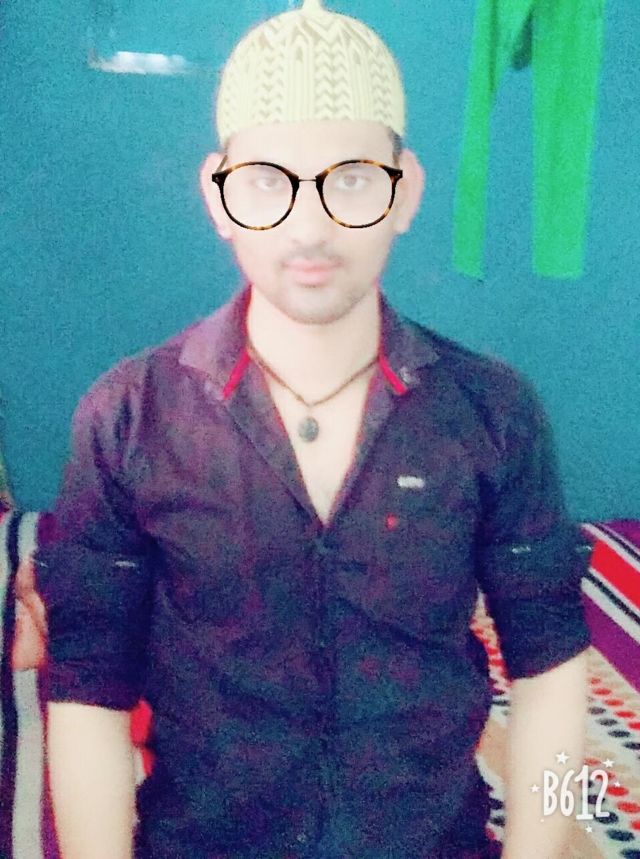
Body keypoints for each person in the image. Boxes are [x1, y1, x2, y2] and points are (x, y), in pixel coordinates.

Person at [31, 1, 593, 857]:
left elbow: (551, 668)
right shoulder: (128, 417)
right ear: (218, 196)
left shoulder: (494, 412)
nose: (310, 224)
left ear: (406, 191)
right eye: (267, 180)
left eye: (353, 178)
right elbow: (87, 690)